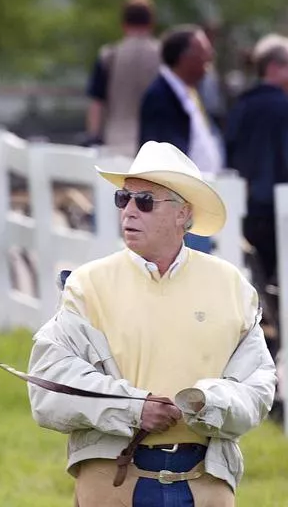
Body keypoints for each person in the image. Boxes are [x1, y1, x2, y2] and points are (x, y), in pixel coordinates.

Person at [27, 141, 276, 507]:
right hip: (111, 482)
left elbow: (258, 388)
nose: (128, 211)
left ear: (183, 214)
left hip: (205, 483)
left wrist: (206, 403)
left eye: (144, 201)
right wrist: (134, 407)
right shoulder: (87, 285)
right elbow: (48, 388)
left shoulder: (231, 286)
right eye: (122, 199)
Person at [139, 25, 224, 253]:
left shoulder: (186, 91)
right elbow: (166, 155)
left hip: (197, 199)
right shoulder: (160, 96)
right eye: (203, 52)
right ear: (185, 58)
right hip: (181, 204)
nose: (210, 57)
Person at [226, 33, 288, 284]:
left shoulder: (241, 105)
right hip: (277, 206)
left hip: (244, 204)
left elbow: (229, 151)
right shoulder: (283, 106)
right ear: (274, 67)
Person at [84, 0, 161, 156]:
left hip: (116, 140)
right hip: (156, 143)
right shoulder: (164, 55)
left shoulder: (109, 55)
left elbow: (97, 102)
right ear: (152, 23)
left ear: (123, 24)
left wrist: (93, 135)